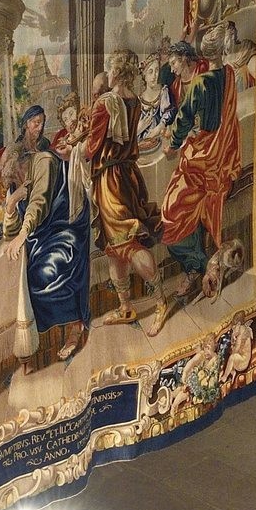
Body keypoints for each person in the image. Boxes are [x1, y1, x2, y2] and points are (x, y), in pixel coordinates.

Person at [87, 55, 168, 335]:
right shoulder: (133, 98)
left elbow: (90, 149)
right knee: (114, 249)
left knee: (128, 245)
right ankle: (125, 306)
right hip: (128, 175)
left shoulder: (105, 103)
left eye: (110, 69)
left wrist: (74, 147)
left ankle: (160, 302)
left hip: (110, 181)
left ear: (118, 72)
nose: (106, 73)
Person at [4, 105, 88, 364]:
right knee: (31, 270)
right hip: (43, 231)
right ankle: (44, 336)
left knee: (45, 271)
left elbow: (39, 203)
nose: (16, 176)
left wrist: (23, 234)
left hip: (66, 227)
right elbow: (10, 228)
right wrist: (10, 203)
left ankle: (75, 326)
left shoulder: (42, 161)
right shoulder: (20, 181)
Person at [160, 36, 244, 288]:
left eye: (174, 62)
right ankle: (205, 262)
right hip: (224, 151)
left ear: (189, 58)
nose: (172, 67)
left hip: (204, 156)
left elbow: (184, 120)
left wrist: (171, 145)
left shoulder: (200, 83)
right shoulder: (228, 74)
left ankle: (199, 264)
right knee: (192, 208)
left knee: (169, 215)